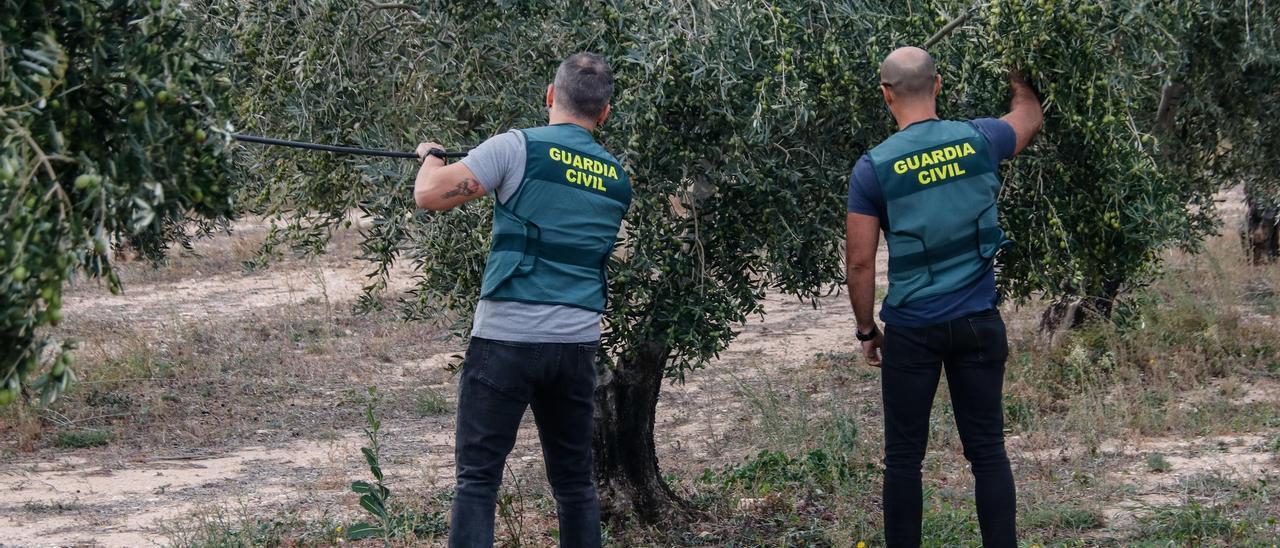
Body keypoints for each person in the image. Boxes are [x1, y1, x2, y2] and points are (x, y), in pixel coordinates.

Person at [412, 52, 630, 548]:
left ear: (551, 96)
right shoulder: (618, 178)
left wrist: (431, 154)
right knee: (575, 485)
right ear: (605, 113)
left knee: (478, 480)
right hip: (577, 346)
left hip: (507, 340)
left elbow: (429, 195)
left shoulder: (515, 147)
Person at [844, 47, 1042, 547]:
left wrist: (867, 329)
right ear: (938, 85)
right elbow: (1028, 117)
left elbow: (860, 262)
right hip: (978, 322)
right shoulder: (980, 137)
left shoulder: (873, 169)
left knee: (904, 460)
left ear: (886, 94)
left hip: (912, 331)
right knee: (989, 452)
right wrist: (1020, 75)